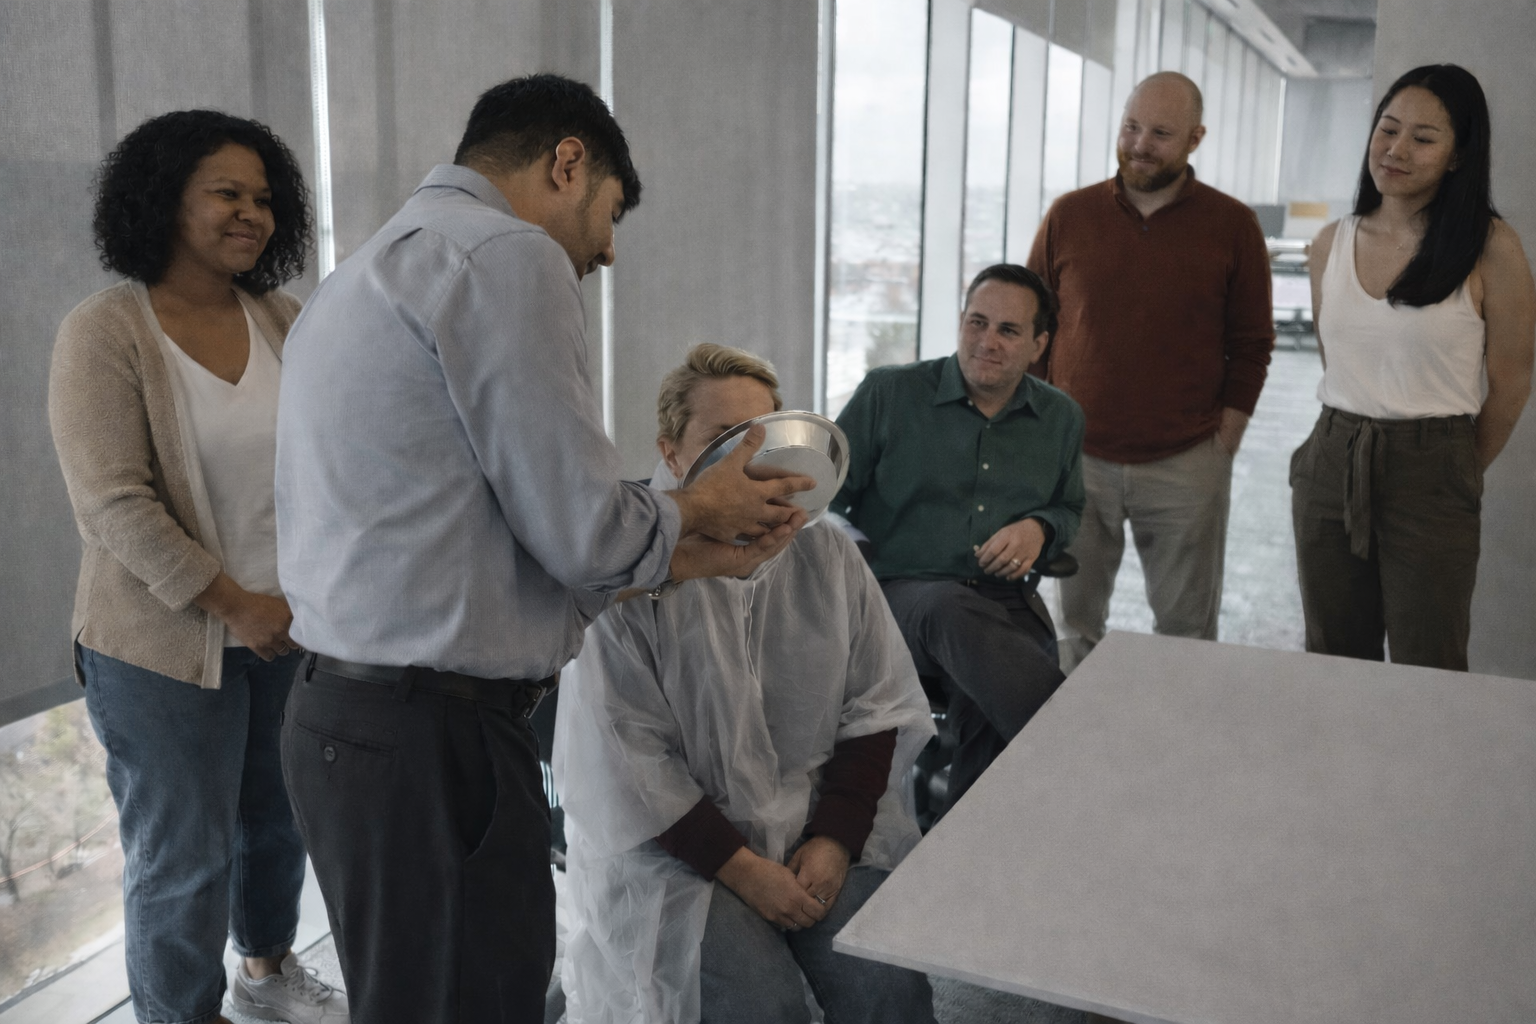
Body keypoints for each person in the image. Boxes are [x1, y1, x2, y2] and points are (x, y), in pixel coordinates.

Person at [274, 75, 812, 1023]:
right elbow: (581, 528)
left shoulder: (364, 273)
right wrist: (694, 511)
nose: (605, 250)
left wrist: (687, 547)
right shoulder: (504, 256)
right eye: (608, 214)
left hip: (345, 723)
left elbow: (477, 537)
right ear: (567, 161)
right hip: (434, 739)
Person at [49, 111, 347, 1024]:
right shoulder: (106, 331)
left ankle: (263, 974)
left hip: (289, 631)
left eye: (263, 197)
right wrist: (233, 605)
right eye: (226, 192)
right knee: (182, 858)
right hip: (162, 650)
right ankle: (182, 1014)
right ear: (165, 197)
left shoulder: (284, 320)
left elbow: (331, 464)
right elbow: (112, 504)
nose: (250, 212)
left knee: (276, 825)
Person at [556, 344, 938, 1024]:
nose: (753, 462)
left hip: (815, 830)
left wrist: (835, 837)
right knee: (761, 1008)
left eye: (765, 437)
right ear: (671, 454)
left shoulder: (826, 554)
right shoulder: (630, 578)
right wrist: (742, 870)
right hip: (673, 857)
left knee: (891, 993)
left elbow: (874, 706)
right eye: (724, 441)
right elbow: (631, 762)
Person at [1027, 71, 1274, 672]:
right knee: (1074, 627)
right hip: (1077, 459)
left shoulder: (1233, 224)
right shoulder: (1070, 214)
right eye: (1131, 126)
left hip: (1187, 461)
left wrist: (1226, 440)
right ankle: (1077, 745)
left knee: (1186, 633)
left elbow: (1252, 343)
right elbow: (1031, 325)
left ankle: (1182, 750)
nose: (1140, 144)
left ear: (1195, 138)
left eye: (1161, 133)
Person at [1291, 63, 1534, 669]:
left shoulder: (1491, 246)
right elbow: (1336, 359)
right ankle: (1341, 765)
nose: (1396, 150)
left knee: (1431, 665)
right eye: (1387, 130)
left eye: (1423, 139)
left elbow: (1512, 379)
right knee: (1332, 657)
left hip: (1433, 467)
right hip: (1331, 455)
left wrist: (1452, 468)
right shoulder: (1330, 244)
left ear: (1457, 156)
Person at [833, 264, 1083, 809]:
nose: (986, 342)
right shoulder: (889, 394)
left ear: (1039, 344)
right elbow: (823, 502)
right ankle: (1083, 754)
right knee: (950, 606)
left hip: (1002, 601)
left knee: (986, 705)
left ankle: (969, 851)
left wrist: (1039, 527)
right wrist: (847, 561)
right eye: (977, 322)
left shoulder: (1060, 418)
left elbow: (1069, 509)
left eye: (1008, 331)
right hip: (901, 595)